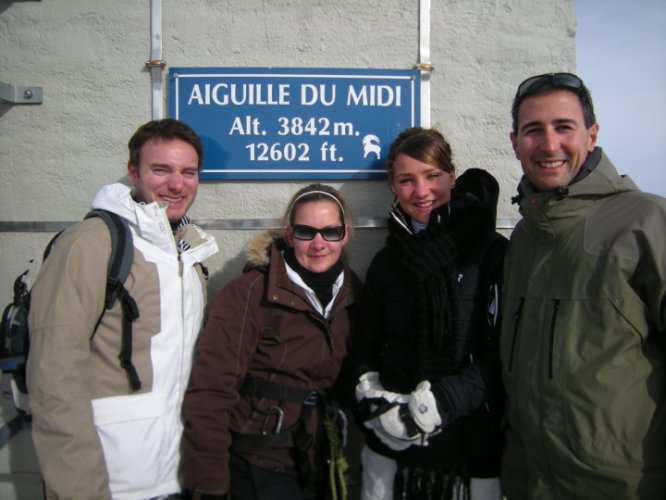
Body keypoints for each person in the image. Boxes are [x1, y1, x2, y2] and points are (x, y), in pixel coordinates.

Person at [27, 118, 219, 499]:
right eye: (160, 169)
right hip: (112, 481)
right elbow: (53, 380)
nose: (176, 184)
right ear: (134, 172)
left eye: (188, 172)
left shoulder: (189, 251)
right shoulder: (91, 244)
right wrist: (78, 489)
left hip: (177, 475)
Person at [500, 72, 666, 499]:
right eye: (533, 130)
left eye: (564, 127)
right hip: (531, 482)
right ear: (515, 141)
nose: (549, 145)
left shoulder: (646, 222)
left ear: (591, 136)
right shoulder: (522, 240)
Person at [348, 127, 508, 500]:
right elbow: (366, 342)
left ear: (452, 176)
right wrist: (371, 396)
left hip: (471, 447)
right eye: (406, 180)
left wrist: (441, 402)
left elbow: (503, 354)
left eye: (433, 176)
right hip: (390, 444)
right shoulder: (387, 261)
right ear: (392, 185)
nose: (421, 192)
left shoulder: (490, 253)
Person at [181, 183, 363, 500]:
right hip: (257, 461)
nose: (319, 243)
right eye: (306, 232)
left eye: (330, 232)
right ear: (290, 236)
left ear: (345, 234)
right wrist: (208, 483)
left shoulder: (350, 292)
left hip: (318, 456)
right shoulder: (251, 292)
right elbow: (211, 389)